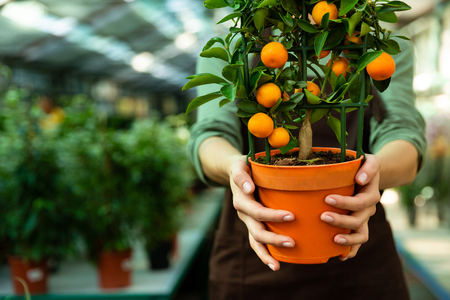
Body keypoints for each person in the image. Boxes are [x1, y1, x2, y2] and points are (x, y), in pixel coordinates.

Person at [188, 36, 426, 299]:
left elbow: (403, 133)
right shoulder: (236, 45)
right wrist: (233, 167)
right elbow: (210, 135)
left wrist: (371, 173)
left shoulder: (379, 45)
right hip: (252, 258)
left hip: (358, 253)